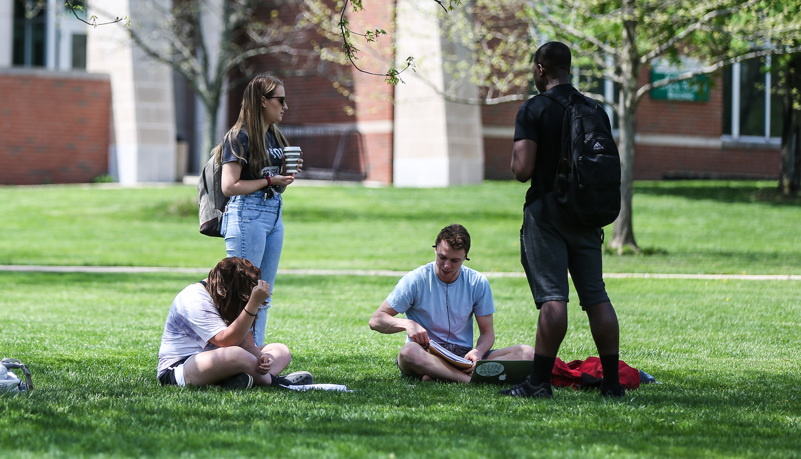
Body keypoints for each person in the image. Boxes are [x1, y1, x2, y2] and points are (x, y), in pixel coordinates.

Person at [500, 41, 624, 398]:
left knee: (554, 299)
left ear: (540, 69)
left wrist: (517, 160)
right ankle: (612, 385)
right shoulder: (594, 109)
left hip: (547, 215)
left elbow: (522, 170)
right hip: (587, 215)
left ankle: (538, 383)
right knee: (597, 298)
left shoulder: (533, 109)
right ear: (568, 69)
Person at [369, 224, 535, 383]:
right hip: (426, 353)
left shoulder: (477, 282)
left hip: (463, 357)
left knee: (527, 353)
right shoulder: (415, 279)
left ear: (465, 257)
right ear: (435, 250)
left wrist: (478, 352)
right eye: (442, 257)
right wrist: (407, 324)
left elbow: (487, 333)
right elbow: (376, 320)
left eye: (455, 260)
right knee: (408, 352)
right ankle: (469, 380)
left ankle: (442, 375)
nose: (447, 265)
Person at [215, 74, 302, 347]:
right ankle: (233, 355)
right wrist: (269, 180)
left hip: (273, 214)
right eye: (280, 100)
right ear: (263, 101)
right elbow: (229, 186)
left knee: (264, 293)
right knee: (243, 292)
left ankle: (255, 352)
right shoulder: (239, 137)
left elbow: (277, 187)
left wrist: (284, 178)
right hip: (245, 215)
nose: (285, 106)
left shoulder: (275, 138)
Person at [157, 257, 312, 389]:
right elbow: (226, 341)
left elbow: (246, 343)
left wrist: (261, 358)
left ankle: (238, 379)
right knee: (237, 355)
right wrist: (252, 304)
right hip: (181, 369)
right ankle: (277, 382)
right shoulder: (193, 298)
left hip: (221, 359)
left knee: (281, 350)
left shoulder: (226, 297)